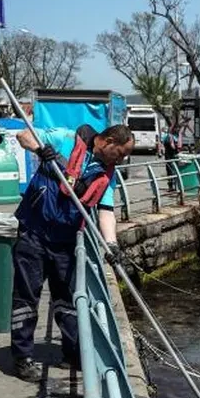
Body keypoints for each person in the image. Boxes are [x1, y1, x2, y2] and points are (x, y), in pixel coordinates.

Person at [9, 123, 134, 382]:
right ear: (108, 141)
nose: (122, 159)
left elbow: (106, 210)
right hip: (33, 233)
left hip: (66, 240)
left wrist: (111, 245)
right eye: (120, 153)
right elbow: (23, 135)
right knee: (27, 296)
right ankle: (23, 357)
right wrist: (40, 150)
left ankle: (73, 353)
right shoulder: (65, 138)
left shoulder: (107, 173)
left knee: (68, 298)